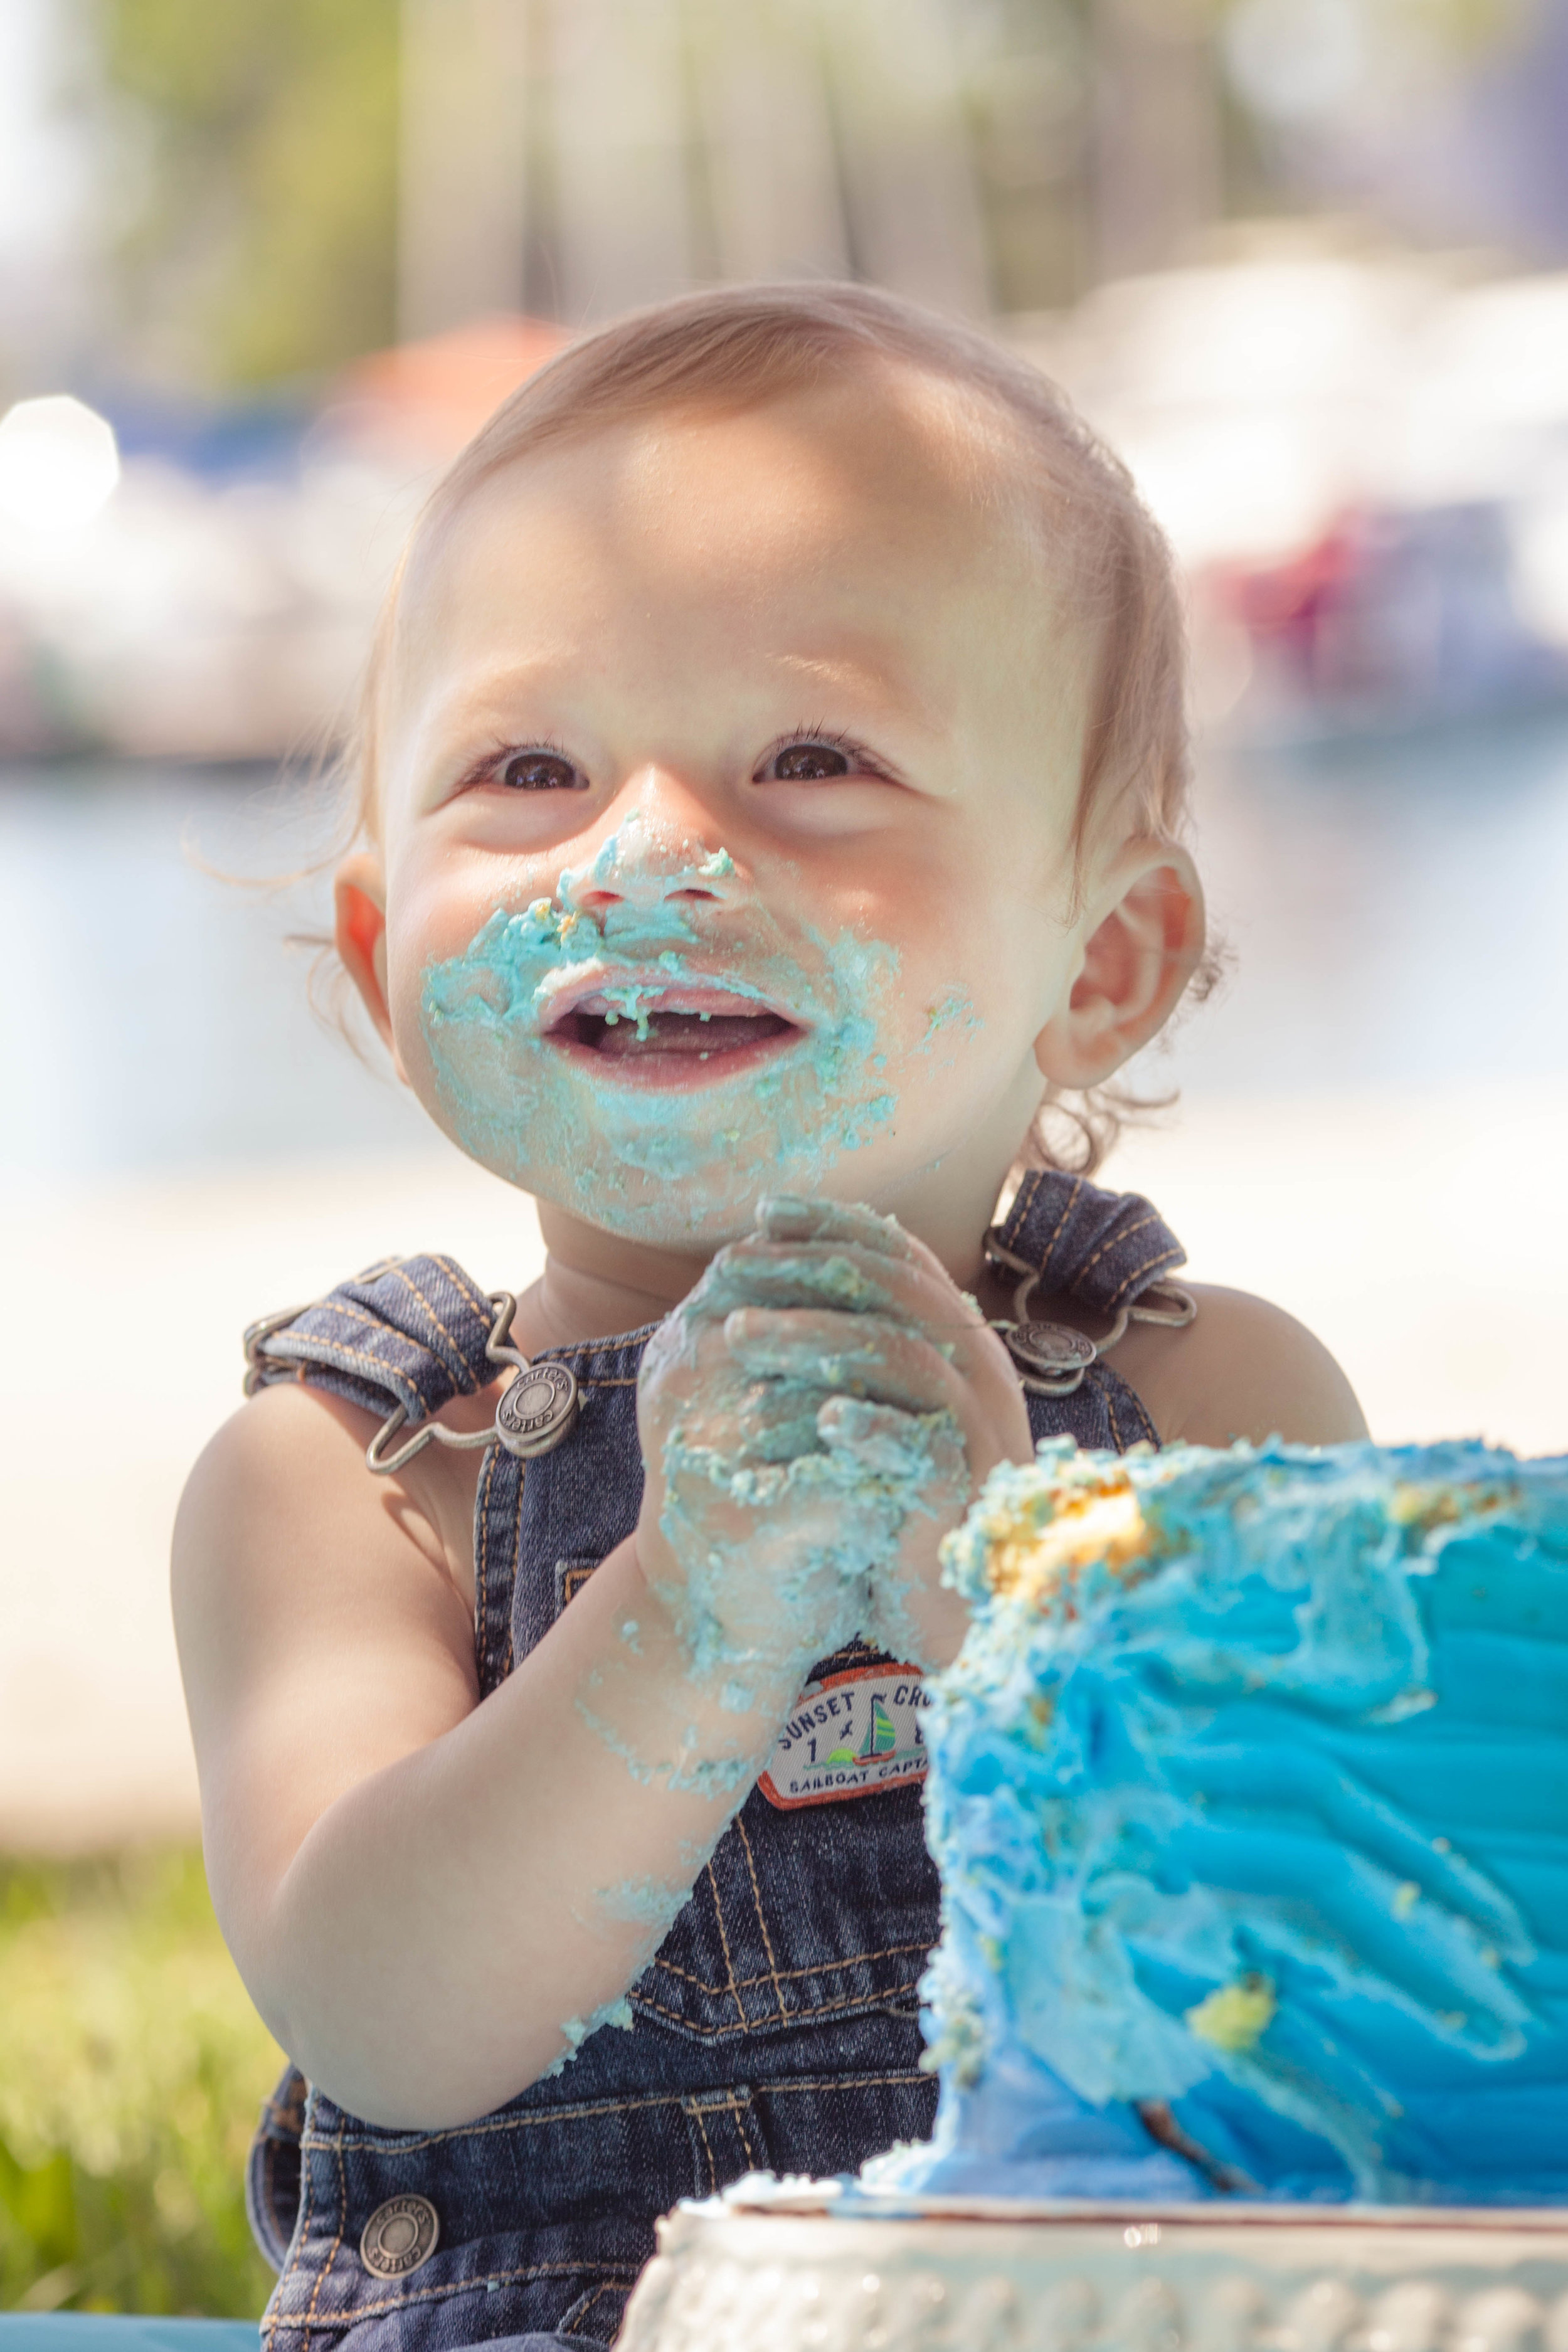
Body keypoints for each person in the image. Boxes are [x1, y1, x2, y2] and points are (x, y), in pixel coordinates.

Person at [172, 284, 1366, 2352]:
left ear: (1101, 956)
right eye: (526, 768)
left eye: (810, 757)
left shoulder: (1211, 1399)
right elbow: (385, 2023)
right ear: (383, 960)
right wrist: (686, 1621)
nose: (641, 852)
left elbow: (1318, 1992)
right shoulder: (358, 1483)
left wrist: (1021, 1604)